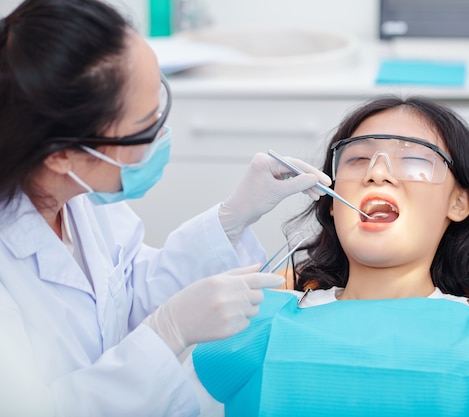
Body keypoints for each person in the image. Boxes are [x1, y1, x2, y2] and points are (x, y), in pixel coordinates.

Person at [0, 0, 331, 416]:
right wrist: (168, 331)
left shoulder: (82, 199)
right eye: (145, 126)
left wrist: (231, 219)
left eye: (159, 101)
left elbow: (128, 290)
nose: (161, 130)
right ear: (62, 156)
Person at [189, 96, 469, 416]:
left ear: (459, 203)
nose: (377, 171)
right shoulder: (247, 327)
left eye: (413, 160)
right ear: (332, 201)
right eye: (356, 159)